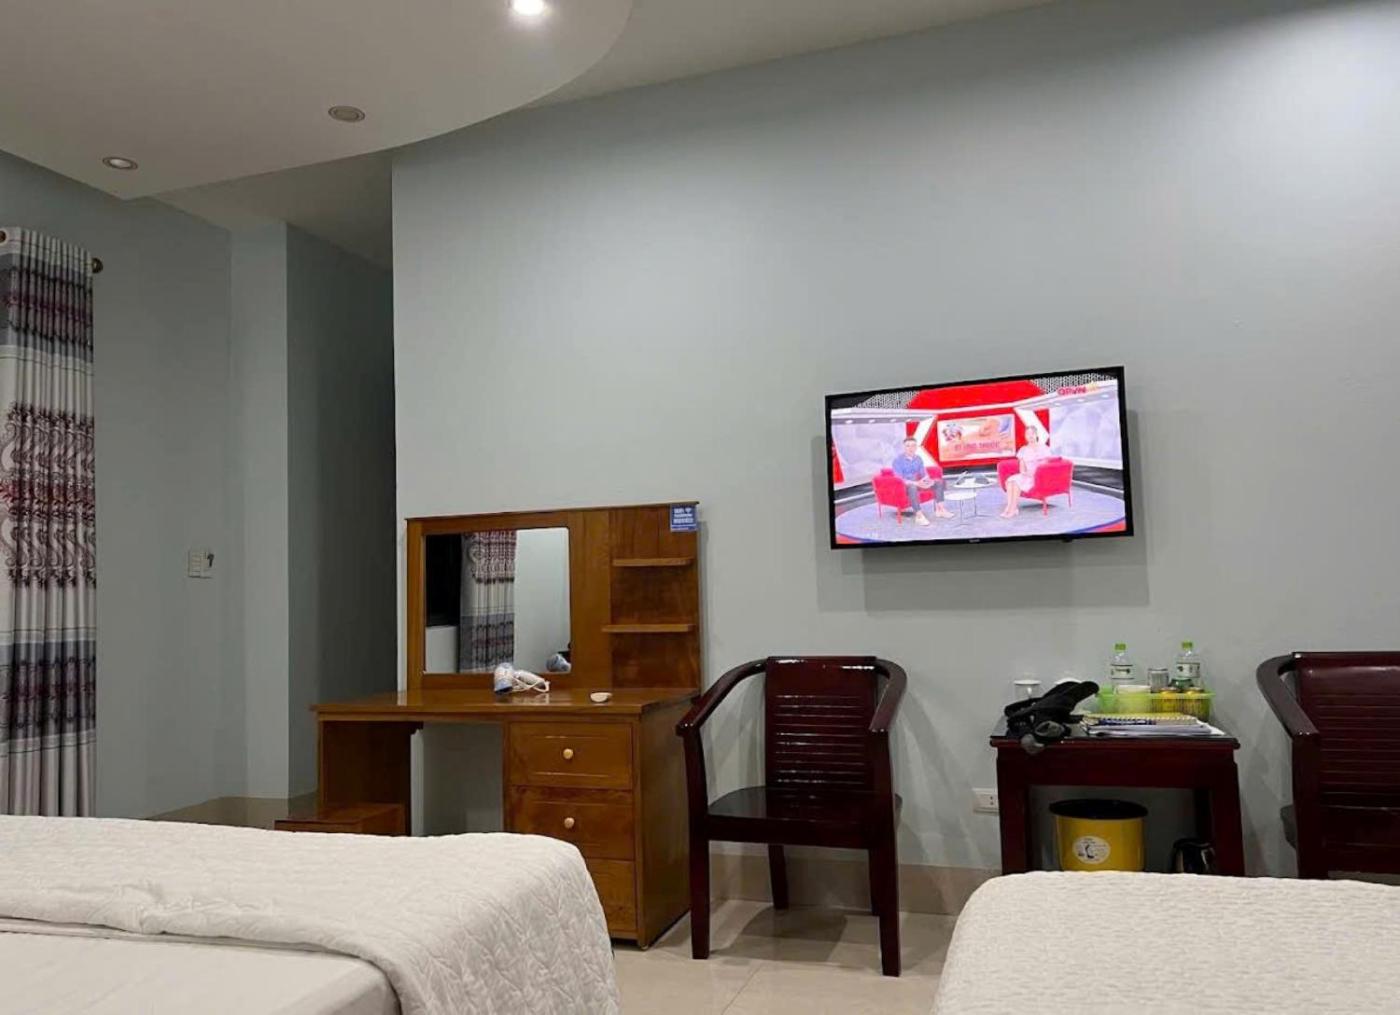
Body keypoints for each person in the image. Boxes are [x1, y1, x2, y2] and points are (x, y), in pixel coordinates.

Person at [890, 437, 951, 525]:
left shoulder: (918, 458)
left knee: (938, 482)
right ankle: (919, 516)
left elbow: (924, 473)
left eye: (913, 446)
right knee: (912, 487)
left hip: (918, 482)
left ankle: (940, 510)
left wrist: (927, 480)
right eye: (908, 446)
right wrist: (916, 483)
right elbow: (899, 479)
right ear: (904, 447)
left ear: (916, 447)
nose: (911, 448)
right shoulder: (897, 460)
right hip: (904, 486)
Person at [1001, 424, 1052, 518]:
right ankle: (1010, 507)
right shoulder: (1023, 450)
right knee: (1011, 481)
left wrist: (1035, 473)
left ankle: (1013, 509)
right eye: (1028, 434)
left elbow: (1046, 465)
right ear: (1025, 436)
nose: (1030, 436)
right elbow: (1022, 468)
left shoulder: (1044, 448)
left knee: (1017, 482)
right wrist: (1025, 473)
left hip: (1038, 477)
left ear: (1036, 435)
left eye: (1032, 433)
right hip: (1027, 475)